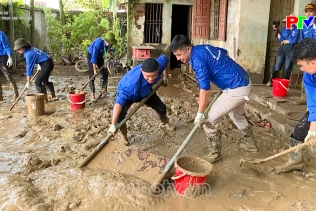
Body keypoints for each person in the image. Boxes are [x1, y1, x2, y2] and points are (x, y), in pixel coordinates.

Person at [170, 34, 258, 163]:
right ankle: (251, 145)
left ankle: (214, 154)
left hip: (236, 88)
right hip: (244, 80)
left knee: (209, 120)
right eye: (176, 56)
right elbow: (225, 53)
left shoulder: (197, 60)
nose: (178, 59)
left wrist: (200, 114)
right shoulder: (202, 48)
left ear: (188, 49)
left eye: (179, 55)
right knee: (236, 116)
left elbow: (205, 89)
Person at [107, 55, 173, 145]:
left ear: (158, 69)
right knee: (120, 118)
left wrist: (166, 77)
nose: (151, 79)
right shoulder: (131, 85)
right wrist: (113, 124)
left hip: (146, 91)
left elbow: (165, 58)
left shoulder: (159, 64)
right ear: (142, 71)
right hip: (130, 94)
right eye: (148, 76)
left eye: (154, 75)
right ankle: (124, 138)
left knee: (161, 107)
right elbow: (118, 103)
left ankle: (165, 123)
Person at [275, 38, 316, 173]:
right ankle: (295, 160)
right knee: (300, 129)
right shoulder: (309, 76)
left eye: (301, 65)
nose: (301, 69)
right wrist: (312, 130)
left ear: (313, 62)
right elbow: (313, 102)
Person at [14, 38, 56, 102]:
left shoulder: (28, 54)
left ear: (23, 47)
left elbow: (29, 69)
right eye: (17, 50)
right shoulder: (30, 49)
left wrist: (28, 82)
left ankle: (45, 100)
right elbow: (39, 55)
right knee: (45, 81)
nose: (18, 51)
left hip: (46, 64)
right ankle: (53, 96)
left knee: (37, 83)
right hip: (48, 62)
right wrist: (40, 64)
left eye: (19, 49)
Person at [266, 14, 299, 86]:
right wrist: (277, 31)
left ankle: (284, 84)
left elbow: (294, 40)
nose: (285, 23)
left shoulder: (297, 29)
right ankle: (271, 80)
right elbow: (281, 39)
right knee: (277, 65)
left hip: (291, 48)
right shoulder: (284, 29)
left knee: (288, 67)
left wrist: (286, 41)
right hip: (283, 48)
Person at [295, 3, 316, 105]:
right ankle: (304, 97)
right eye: (306, 12)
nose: (308, 14)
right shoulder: (303, 25)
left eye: (311, 11)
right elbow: (302, 41)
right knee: (307, 75)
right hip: (308, 55)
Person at [87, 32, 117, 102]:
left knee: (104, 72)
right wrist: (95, 70)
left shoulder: (109, 44)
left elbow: (108, 49)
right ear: (105, 40)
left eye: (110, 43)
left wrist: (111, 54)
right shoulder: (98, 43)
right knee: (92, 75)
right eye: (108, 42)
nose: (109, 44)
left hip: (100, 55)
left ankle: (103, 90)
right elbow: (94, 58)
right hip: (91, 55)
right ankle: (92, 94)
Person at [0, 30, 19, 102]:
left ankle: (16, 94)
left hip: (2, 57)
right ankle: (0, 96)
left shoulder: (1, 34)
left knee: (7, 75)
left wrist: (10, 57)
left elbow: (6, 46)